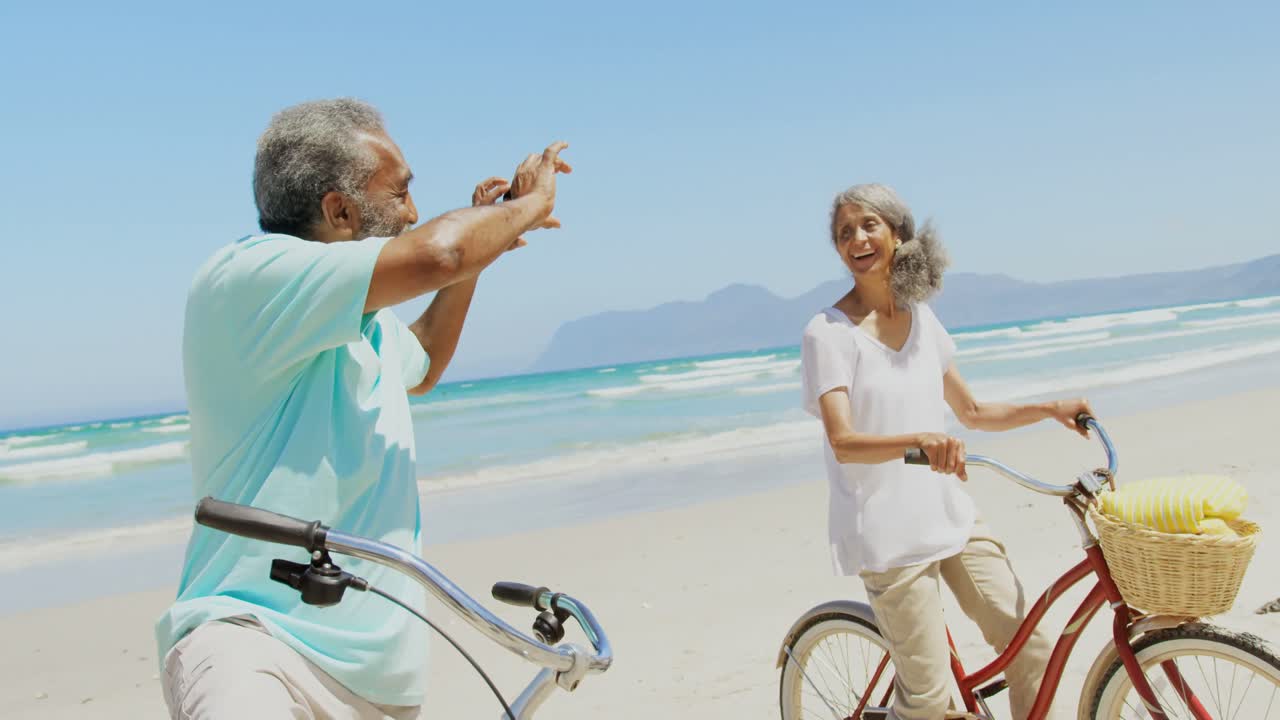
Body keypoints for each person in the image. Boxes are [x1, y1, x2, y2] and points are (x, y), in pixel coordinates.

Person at [154, 97, 570, 719]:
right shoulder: (250, 277)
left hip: (381, 686)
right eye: (400, 193)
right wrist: (527, 207)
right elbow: (439, 253)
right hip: (257, 647)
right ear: (339, 210)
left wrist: (476, 259)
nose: (414, 212)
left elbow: (424, 359)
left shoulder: (361, 324)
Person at [799, 183, 1089, 719]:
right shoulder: (827, 333)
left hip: (950, 513)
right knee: (931, 703)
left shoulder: (923, 320)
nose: (856, 239)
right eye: (844, 232)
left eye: (868, 225)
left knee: (1033, 650)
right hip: (888, 535)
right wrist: (919, 439)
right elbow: (844, 442)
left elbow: (973, 412)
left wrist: (1051, 408)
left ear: (898, 233)